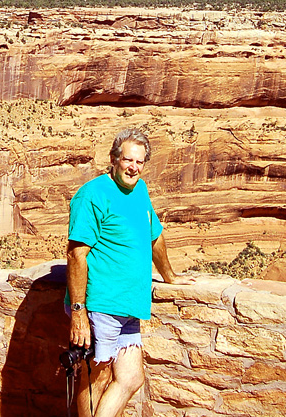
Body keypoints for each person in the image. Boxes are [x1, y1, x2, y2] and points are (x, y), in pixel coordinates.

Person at [66, 128, 193, 417]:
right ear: (114, 159)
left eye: (139, 162)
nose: (133, 167)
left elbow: (154, 236)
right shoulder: (93, 195)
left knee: (131, 378)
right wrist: (78, 313)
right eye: (127, 160)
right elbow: (76, 255)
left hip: (129, 306)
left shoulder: (140, 189)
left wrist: (170, 276)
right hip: (100, 304)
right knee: (95, 381)